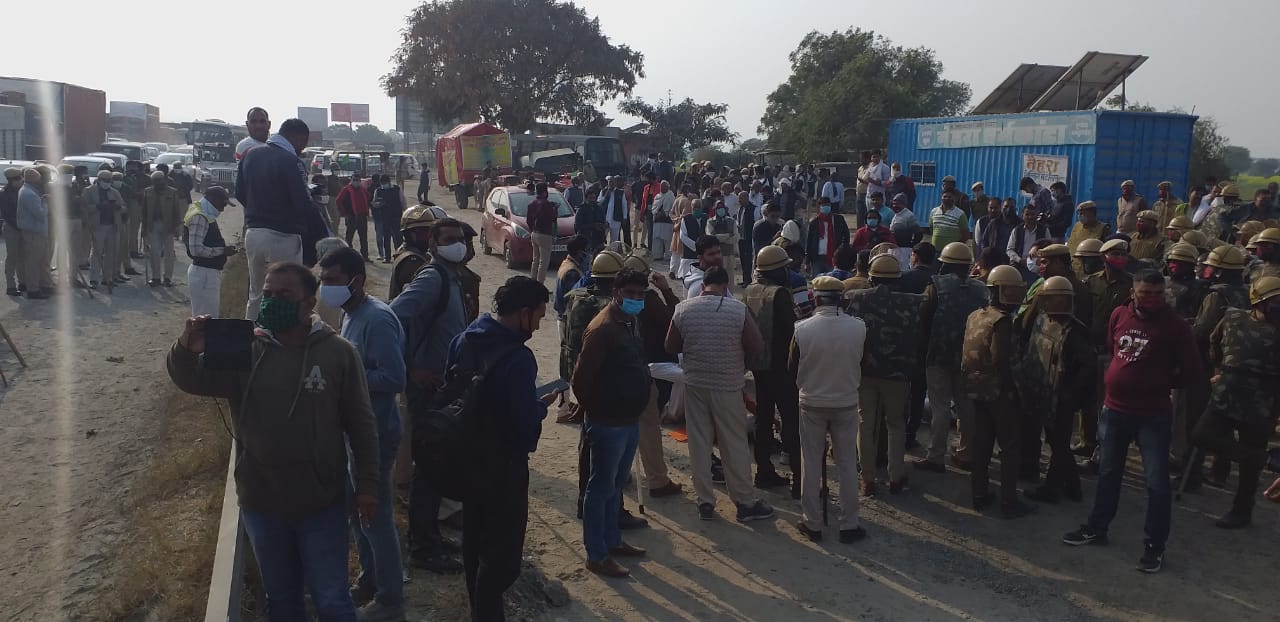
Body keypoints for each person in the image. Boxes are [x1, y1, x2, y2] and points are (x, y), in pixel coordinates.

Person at [167, 261, 379, 619]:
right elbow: (192, 381)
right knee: (281, 601)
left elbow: (362, 424)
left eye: (284, 295)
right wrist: (186, 348)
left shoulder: (337, 353)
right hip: (262, 503)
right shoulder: (245, 352)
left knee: (332, 600)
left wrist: (369, 487)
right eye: (267, 294)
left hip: (321, 504)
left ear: (309, 304)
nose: (272, 301)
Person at [1062, 270, 1202, 574]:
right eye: (1145, 293)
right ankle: (1097, 527)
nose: (1151, 299)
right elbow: (1116, 351)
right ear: (1133, 292)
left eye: (1157, 293)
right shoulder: (1119, 314)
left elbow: (1191, 372)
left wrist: (1157, 382)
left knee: (1156, 483)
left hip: (1152, 415)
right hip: (1114, 411)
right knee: (1109, 473)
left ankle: (1155, 546)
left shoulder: (1176, 327)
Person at [442, 277, 551, 621]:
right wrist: (541, 406)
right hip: (503, 467)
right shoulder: (519, 359)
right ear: (523, 313)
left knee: (473, 541)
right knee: (502, 557)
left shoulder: (465, 339)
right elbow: (522, 419)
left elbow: (449, 388)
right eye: (538, 316)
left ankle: (479, 611)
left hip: (465, 458)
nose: (538, 324)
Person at [314, 248, 407, 621]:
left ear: (357, 280)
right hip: (356, 432)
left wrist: (345, 379)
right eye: (323, 281)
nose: (326, 288)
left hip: (377, 433)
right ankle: (371, 578)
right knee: (358, 514)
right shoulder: (350, 315)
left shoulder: (377, 320)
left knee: (375, 515)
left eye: (333, 281)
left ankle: (390, 599)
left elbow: (394, 377)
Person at [390, 217, 471, 573]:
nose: (458, 244)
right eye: (449, 239)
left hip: (444, 385)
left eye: (461, 238)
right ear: (434, 246)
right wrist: (410, 368)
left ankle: (430, 537)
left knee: (436, 467)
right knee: (428, 468)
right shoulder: (432, 277)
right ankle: (422, 546)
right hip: (428, 388)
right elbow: (392, 317)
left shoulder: (452, 279)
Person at [666, 266, 774, 522]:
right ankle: (745, 502)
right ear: (726, 287)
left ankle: (705, 500)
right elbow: (757, 345)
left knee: (699, 442)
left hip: (695, 384)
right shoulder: (737, 310)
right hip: (727, 385)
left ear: (703, 285)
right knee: (733, 443)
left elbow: (670, 345)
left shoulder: (683, 309)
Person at [572, 269, 652, 578]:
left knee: (615, 486)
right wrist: (598, 411)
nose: (635, 299)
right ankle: (597, 554)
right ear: (616, 292)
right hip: (608, 423)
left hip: (628, 420)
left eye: (640, 294)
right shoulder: (603, 328)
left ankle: (612, 540)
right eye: (630, 293)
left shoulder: (628, 322)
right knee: (600, 487)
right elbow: (581, 379)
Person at [1189, 277, 1280, 529]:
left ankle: (1241, 511)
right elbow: (1214, 342)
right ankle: (1254, 457)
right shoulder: (1233, 318)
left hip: (1262, 402)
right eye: (1275, 302)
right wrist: (1221, 368)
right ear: (1259, 302)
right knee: (1201, 436)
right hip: (1227, 392)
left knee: (1249, 472)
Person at [789, 276, 868, 543]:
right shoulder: (859, 328)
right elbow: (862, 362)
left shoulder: (802, 329)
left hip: (811, 402)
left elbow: (792, 368)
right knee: (847, 463)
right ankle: (849, 524)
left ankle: (811, 522)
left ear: (816, 298)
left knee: (810, 461)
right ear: (841, 299)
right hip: (846, 401)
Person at [961, 265, 1038, 517]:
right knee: (1009, 446)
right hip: (998, 392)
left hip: (976, 388)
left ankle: (979, 493)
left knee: (981, 443)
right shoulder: (1002, 321)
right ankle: (1008, 501)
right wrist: (1013, 390)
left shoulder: (975, 315)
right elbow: (1000, 359)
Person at [844, 253, 922, 493]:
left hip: (865, 372)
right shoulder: (912, 303)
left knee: (865, 423)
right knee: (896, 424)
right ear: (897, 279)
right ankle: (896, 476)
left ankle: (867, 479)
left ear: (871, 277)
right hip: (898, 374)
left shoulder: (855, 299)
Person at [914, 242, 987, 473]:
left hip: (938, 354)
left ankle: (936, 456)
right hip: (969, 357)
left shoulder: (936, 286)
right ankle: (967, 453)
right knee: (966, 406)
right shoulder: (980, 289)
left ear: (944, 264)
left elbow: (922, 318)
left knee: (940, 407)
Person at [1019, 276, 1093, 504]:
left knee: (1058, 442)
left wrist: (1072, 394)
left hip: (1060, 397)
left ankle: (1053, 488)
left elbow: (1087, 366)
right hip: (1041, 390)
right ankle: (1072, 486)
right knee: (1055, 440)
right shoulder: (1043, 320)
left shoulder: (1074, 331)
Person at [620, 254, 682, 498]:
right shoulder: (648, 299)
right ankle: (657, 480)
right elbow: (675, 319)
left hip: (627, 370)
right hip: (647, 369)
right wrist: (666, 291)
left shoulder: (609, 301)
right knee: (647, 426)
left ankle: (623, 472)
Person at [237, 118, 312, 320]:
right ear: (298, 137)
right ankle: (282, 340)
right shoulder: (290, 160)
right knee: (287, 293)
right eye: (303, 143)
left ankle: (251, 340)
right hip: (283, 236)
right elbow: (302, 202)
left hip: (253, 233)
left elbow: (239, 193)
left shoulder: (250, 155)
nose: (302, 148)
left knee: (256, 293)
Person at [746, 245, 804, 495]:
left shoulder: (750, 290)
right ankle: (799, 479)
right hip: (782, 366)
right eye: (785, 267)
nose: (788, 270)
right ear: (776, 270)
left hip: (760, 365)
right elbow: (794, 330)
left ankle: (763, 472)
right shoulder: (779, 293)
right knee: (791, 420)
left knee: (764, 418)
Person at [1077, 238, 1135, 459]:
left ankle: (1103, 450)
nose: (1120, 259)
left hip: (1115, 352)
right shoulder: (1091, 283)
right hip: (1090, 347)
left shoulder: (1131, 285)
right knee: (1087, 398)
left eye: (1123, 255)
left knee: (1107, 403)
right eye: (1115, 255)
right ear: (1103, 258)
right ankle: (1087, 441)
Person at [182, 185, 235, 313]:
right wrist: (223, 251)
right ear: (213, 199)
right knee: (207, 318)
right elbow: (196, 250)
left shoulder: (202, 211)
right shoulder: (200, 216)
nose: (222, 209)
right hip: (204, 273)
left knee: (206, 316)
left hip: (206, 272)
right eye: (223, 204)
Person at [83, 170, 125, 288]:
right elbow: (84, 207)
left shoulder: (114, 192)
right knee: (97, 253)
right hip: (98, 226)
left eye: (108, 180)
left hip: (112, 226)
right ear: (99, 179)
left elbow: (123, 207)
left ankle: (108, 278)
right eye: (104, 180)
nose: (107, 183)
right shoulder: (89, 191)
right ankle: (94, 279)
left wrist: (117, 207)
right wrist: (98, 206)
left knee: (111, 253)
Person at [140, 171, 182, 287]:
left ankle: (167, 277)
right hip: (153, 225)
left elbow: (177, 212)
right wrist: (143, 228)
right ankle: (156, 277)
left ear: (164, 180)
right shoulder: (148, 192)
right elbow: (144, 212)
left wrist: (177, 227)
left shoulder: (172, 192)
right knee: (155, 252)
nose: (157, 183)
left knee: (168, 253)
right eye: (155, 181)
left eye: (159, 180)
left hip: (168, 226)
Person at [388, 205, 438, 300]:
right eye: (423, 232)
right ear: (408, 234)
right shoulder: (412, 260)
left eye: (430, 231)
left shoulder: (410, 251)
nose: (428, 236)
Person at [17, 168, 51, 298]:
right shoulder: (29, 194)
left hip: (37, 232)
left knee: (42, 261)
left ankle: (44, 285)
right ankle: (33, 289)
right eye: (39, 179)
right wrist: (46, 203)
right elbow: (41, 214)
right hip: (33, 233)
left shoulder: (29, 191)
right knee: (33, 262)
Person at [805, 199, 849, 275]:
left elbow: (846, 236)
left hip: (834, 257)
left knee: (833, 281)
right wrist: (807, 262)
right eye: (824, 205)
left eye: (828, 205)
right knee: (818, 281)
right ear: (819, 207)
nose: (826, 207)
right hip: (817, 258)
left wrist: (842, 250)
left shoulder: (838, 219)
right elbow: (809, 242)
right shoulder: (814, 222)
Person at [525, 182, 558, 285]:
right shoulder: (546, 204)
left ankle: (533, 281)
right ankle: (540, 285)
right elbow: (552, 219)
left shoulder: (532, 204)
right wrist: (555, 209)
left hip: (534, 233)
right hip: (545, 234)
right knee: (544, 262)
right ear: (545, 192)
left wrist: (532, 229)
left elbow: (528, 220)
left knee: (535, 260)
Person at [1006, 204, 1049, 275]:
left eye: (1032, 214)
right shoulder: (1017, 230)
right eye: (1027, 214)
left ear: (1036, 215)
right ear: (1023, 216)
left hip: (1038, 266)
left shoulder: (1044, 230)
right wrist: (1020, 260)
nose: (1030, 217)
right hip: (1019, 265)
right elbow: (1009, 250)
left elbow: (1049, 248)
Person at [373, 175, 406, 265]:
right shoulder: (378, 191)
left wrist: (404, 212)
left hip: (396, 216)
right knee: (386, 238)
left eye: (385, 183)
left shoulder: (397, 189)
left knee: (398, 237)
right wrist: (378, 204)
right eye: (382, 183)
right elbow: (374, 203)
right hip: (385, 217)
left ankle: (399, 256)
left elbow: (402, 201)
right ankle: (387, 257)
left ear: (389, 182)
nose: (384, 185)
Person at [338, 172, 371, 260]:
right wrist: (344, 213)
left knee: (363, 238)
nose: (356, 182)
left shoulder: (362, 189)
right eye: (354, 180)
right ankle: (348, 256)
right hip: (351, 216)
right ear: (351, 180)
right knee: (349, 237)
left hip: (362, 216)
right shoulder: (346, 189)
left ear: (360, 181)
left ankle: (365, 256)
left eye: (357, 180)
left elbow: (368, 199)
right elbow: (338, 201)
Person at [705, 199, 739, 287]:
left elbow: (736, 237)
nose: (721, 210)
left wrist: (719, 237)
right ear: (715, 210)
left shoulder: (731, 221)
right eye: (718, 208)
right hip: (717, 255)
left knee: (730, 280)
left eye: (722, 208)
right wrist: (728, 235)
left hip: (729, 254)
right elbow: (711, 237)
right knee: (718, 279)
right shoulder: (710, 221)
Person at [2, 167, 24, 296]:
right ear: (11, 180)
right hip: (11, 227)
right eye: (17, 179)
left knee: (22, 257)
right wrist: (18, 225)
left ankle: (22, 282)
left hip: (21, 227)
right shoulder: (4, 193)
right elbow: (7, 214)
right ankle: (10, 286)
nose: (20, 180)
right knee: (12, 257)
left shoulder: (20, 190)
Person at [676, 201, 710, 282]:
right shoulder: (686, 219)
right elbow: (683, 236)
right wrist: (695, 246)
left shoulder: (707, 218)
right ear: (691, 208)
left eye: (698, 207)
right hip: (689, 254)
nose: (697, 209)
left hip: (703, 254)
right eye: (695, 208)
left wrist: (703, 246)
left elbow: (709, 233)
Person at [574, 184, 607, 253]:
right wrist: (593, 226)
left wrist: (603, 226)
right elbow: (577, 226)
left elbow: (604, 221)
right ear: (586, 198)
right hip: (586, 240)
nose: (592, 200)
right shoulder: (581, 209)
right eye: (590, 198)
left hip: (598, 239)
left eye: (594, 198)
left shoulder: (599, 208)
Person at [736, 191, 760, 286]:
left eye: (741, 198)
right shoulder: (740, 209)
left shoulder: (753, 209)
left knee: (748, 260)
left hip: (749, 238)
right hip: (741, 238)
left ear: (746, 198)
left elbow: (756, 224)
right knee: (742, 259)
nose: (739, 200)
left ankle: (748, 280)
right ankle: (745, 278)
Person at [600, 176, 631, 246]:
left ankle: (612, 254)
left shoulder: (620, 192)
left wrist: (625, 217)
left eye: (613, 182)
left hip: (616, 219)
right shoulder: (603, 191)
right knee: (602, 238)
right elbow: (599, 203)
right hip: (604, 219)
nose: (611, 183)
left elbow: (624, 205)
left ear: (615, 183)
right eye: (610, 181)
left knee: (614, 240)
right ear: (607, 183)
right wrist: (606, 194)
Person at [650, 180, 675, 260]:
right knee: (656, 239)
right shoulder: (657, 196)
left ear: (668, 187)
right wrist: (656, 213)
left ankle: (668, 256)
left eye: (664, 186)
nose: (662, 188)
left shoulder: (671, 196)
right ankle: (657, 255)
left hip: (667, 221)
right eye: (661, 186)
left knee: (667, 240)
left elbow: (671, 209)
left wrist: (664, 212)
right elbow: (654, 208)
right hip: (657, 220)